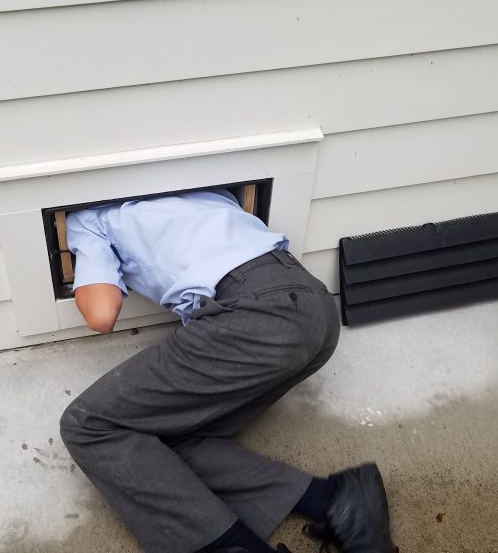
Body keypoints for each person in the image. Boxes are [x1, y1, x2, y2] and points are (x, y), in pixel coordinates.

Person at [58, 188, 395, 553]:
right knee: (163, 435)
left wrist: (85, 252)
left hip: (256, 314)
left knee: (89, 425)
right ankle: (339, 503)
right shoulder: (205, 189)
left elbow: (101, 314)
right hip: (315, 308)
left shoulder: (89, 217)